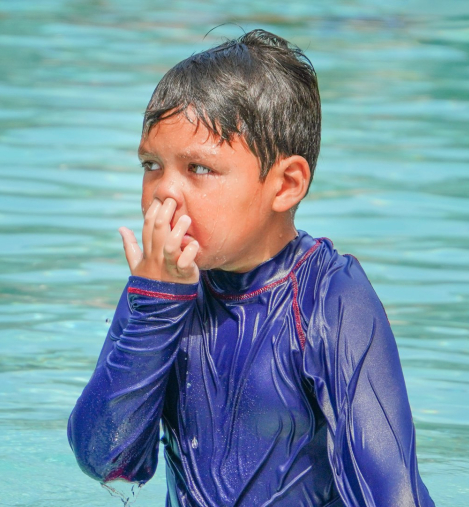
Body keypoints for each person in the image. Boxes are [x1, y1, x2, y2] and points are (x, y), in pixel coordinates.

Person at [68, 29, 434, 507]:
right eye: (151, 165)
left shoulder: (331, 300)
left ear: (285, 184)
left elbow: (392, 495)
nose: (164, 192)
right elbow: (107, 462)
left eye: (198, 168)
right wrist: (154, 310)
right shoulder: (160, 289)